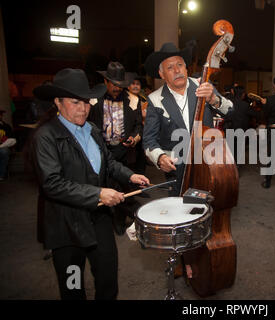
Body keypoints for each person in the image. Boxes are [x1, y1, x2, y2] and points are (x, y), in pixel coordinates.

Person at [31, 68, 150, 300]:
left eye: (86, 102)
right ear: (58, 102)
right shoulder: (46, 136)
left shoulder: (93, 130)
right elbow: (52, 184)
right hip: (67, 226)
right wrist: (98, 194)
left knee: (108, 279)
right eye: (75, 102)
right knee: (73, 287)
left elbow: (109, 162)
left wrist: (130, 176)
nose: (83, 108)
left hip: (98, 220)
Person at [142, 42, 233, 196]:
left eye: (180, 65)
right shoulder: (154, 99)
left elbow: (230, 111)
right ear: (162, 74)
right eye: (170, 68)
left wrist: (213, 99)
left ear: (186, 68)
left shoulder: (203, 85)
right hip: (177, 171)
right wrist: (159, 157)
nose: (177, 70)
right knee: (179, 210)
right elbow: (149, 140)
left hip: (207, 164)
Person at [88, 62, 144, 234]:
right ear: (105, 82)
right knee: (105, 188)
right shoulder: (93, 100)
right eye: (113, 84)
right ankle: (111, 219)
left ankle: (120, 220)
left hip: (124, 152)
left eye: (120, 85)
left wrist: (134, 139)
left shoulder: (133, 101)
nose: (117, 88)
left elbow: (138, 127)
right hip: (99, 151)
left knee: (124, 187)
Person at [0, 109, 16, 181]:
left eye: (0, 114)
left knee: (4, 151)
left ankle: (1, 175)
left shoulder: (6, 126)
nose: (1, 115)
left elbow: (12, 139)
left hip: (3, 146)